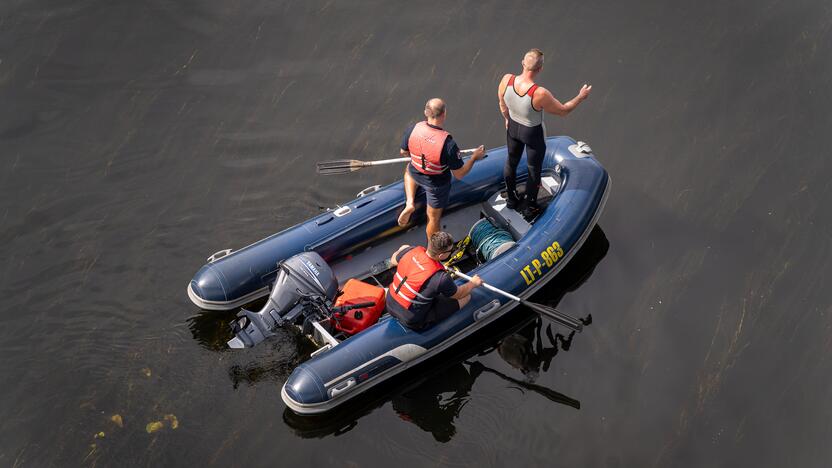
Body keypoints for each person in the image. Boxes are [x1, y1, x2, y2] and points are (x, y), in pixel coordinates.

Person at [498, 48, 592, 218]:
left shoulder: (506, 80)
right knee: (534, 170)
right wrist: (580, 96)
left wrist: (506, 118)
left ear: (522, 63)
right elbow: (564, 111)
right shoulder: (539, 93)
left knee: (511, 162)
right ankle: (529, 206)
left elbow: (502, 102)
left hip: (512, 127)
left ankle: (511, 199)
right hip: (532, 133)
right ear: (540, 69)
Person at [397, 98, 486, 240]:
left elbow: (403, 152)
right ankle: (434, 249)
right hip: (436, 184)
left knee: (409, 170)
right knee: (433, 219)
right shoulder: (448, 145)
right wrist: (475, 157)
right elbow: (459, 174)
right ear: (444, 114)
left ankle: (410, 203)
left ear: (426, 112)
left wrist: (418, 156)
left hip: (416, 172)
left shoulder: (412, 129)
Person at [386, 231, 482, 330]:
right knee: (466, 297)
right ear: (441, 256)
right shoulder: (441, 278)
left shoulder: (411, 251)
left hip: (389, 302)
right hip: (410, 319)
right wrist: (473, 283)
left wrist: (404, 250)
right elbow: (459, 294)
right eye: (450, 251)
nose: (451, 252)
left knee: (404, 246)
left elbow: (393, 260)